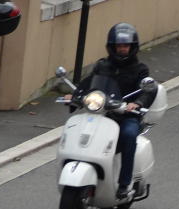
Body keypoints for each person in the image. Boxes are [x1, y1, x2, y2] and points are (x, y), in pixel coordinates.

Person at [67, 23, 157, 199]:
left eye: (125, 46)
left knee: (129, 135)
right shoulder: (103, 65)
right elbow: (89, 83)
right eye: (119, 45)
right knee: (82, 131)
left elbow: (149, 90)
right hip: (102, 113)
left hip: (126, 116)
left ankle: (124, 184)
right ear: (112, 47)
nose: (122, 49)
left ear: (132, 47)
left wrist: (137, 104)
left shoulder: (140, 69)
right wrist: (75, 95)